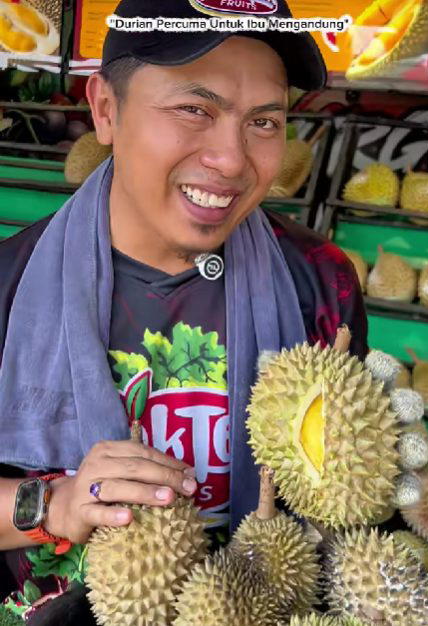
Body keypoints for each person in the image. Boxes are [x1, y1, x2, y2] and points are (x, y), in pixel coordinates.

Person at [0, 0, 367, 622]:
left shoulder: (321, 284)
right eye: (194, 110)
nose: (231, 159)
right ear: (106, 110)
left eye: (264, 122)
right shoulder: (8, 285)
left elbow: (347, 495)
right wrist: (53, 505)